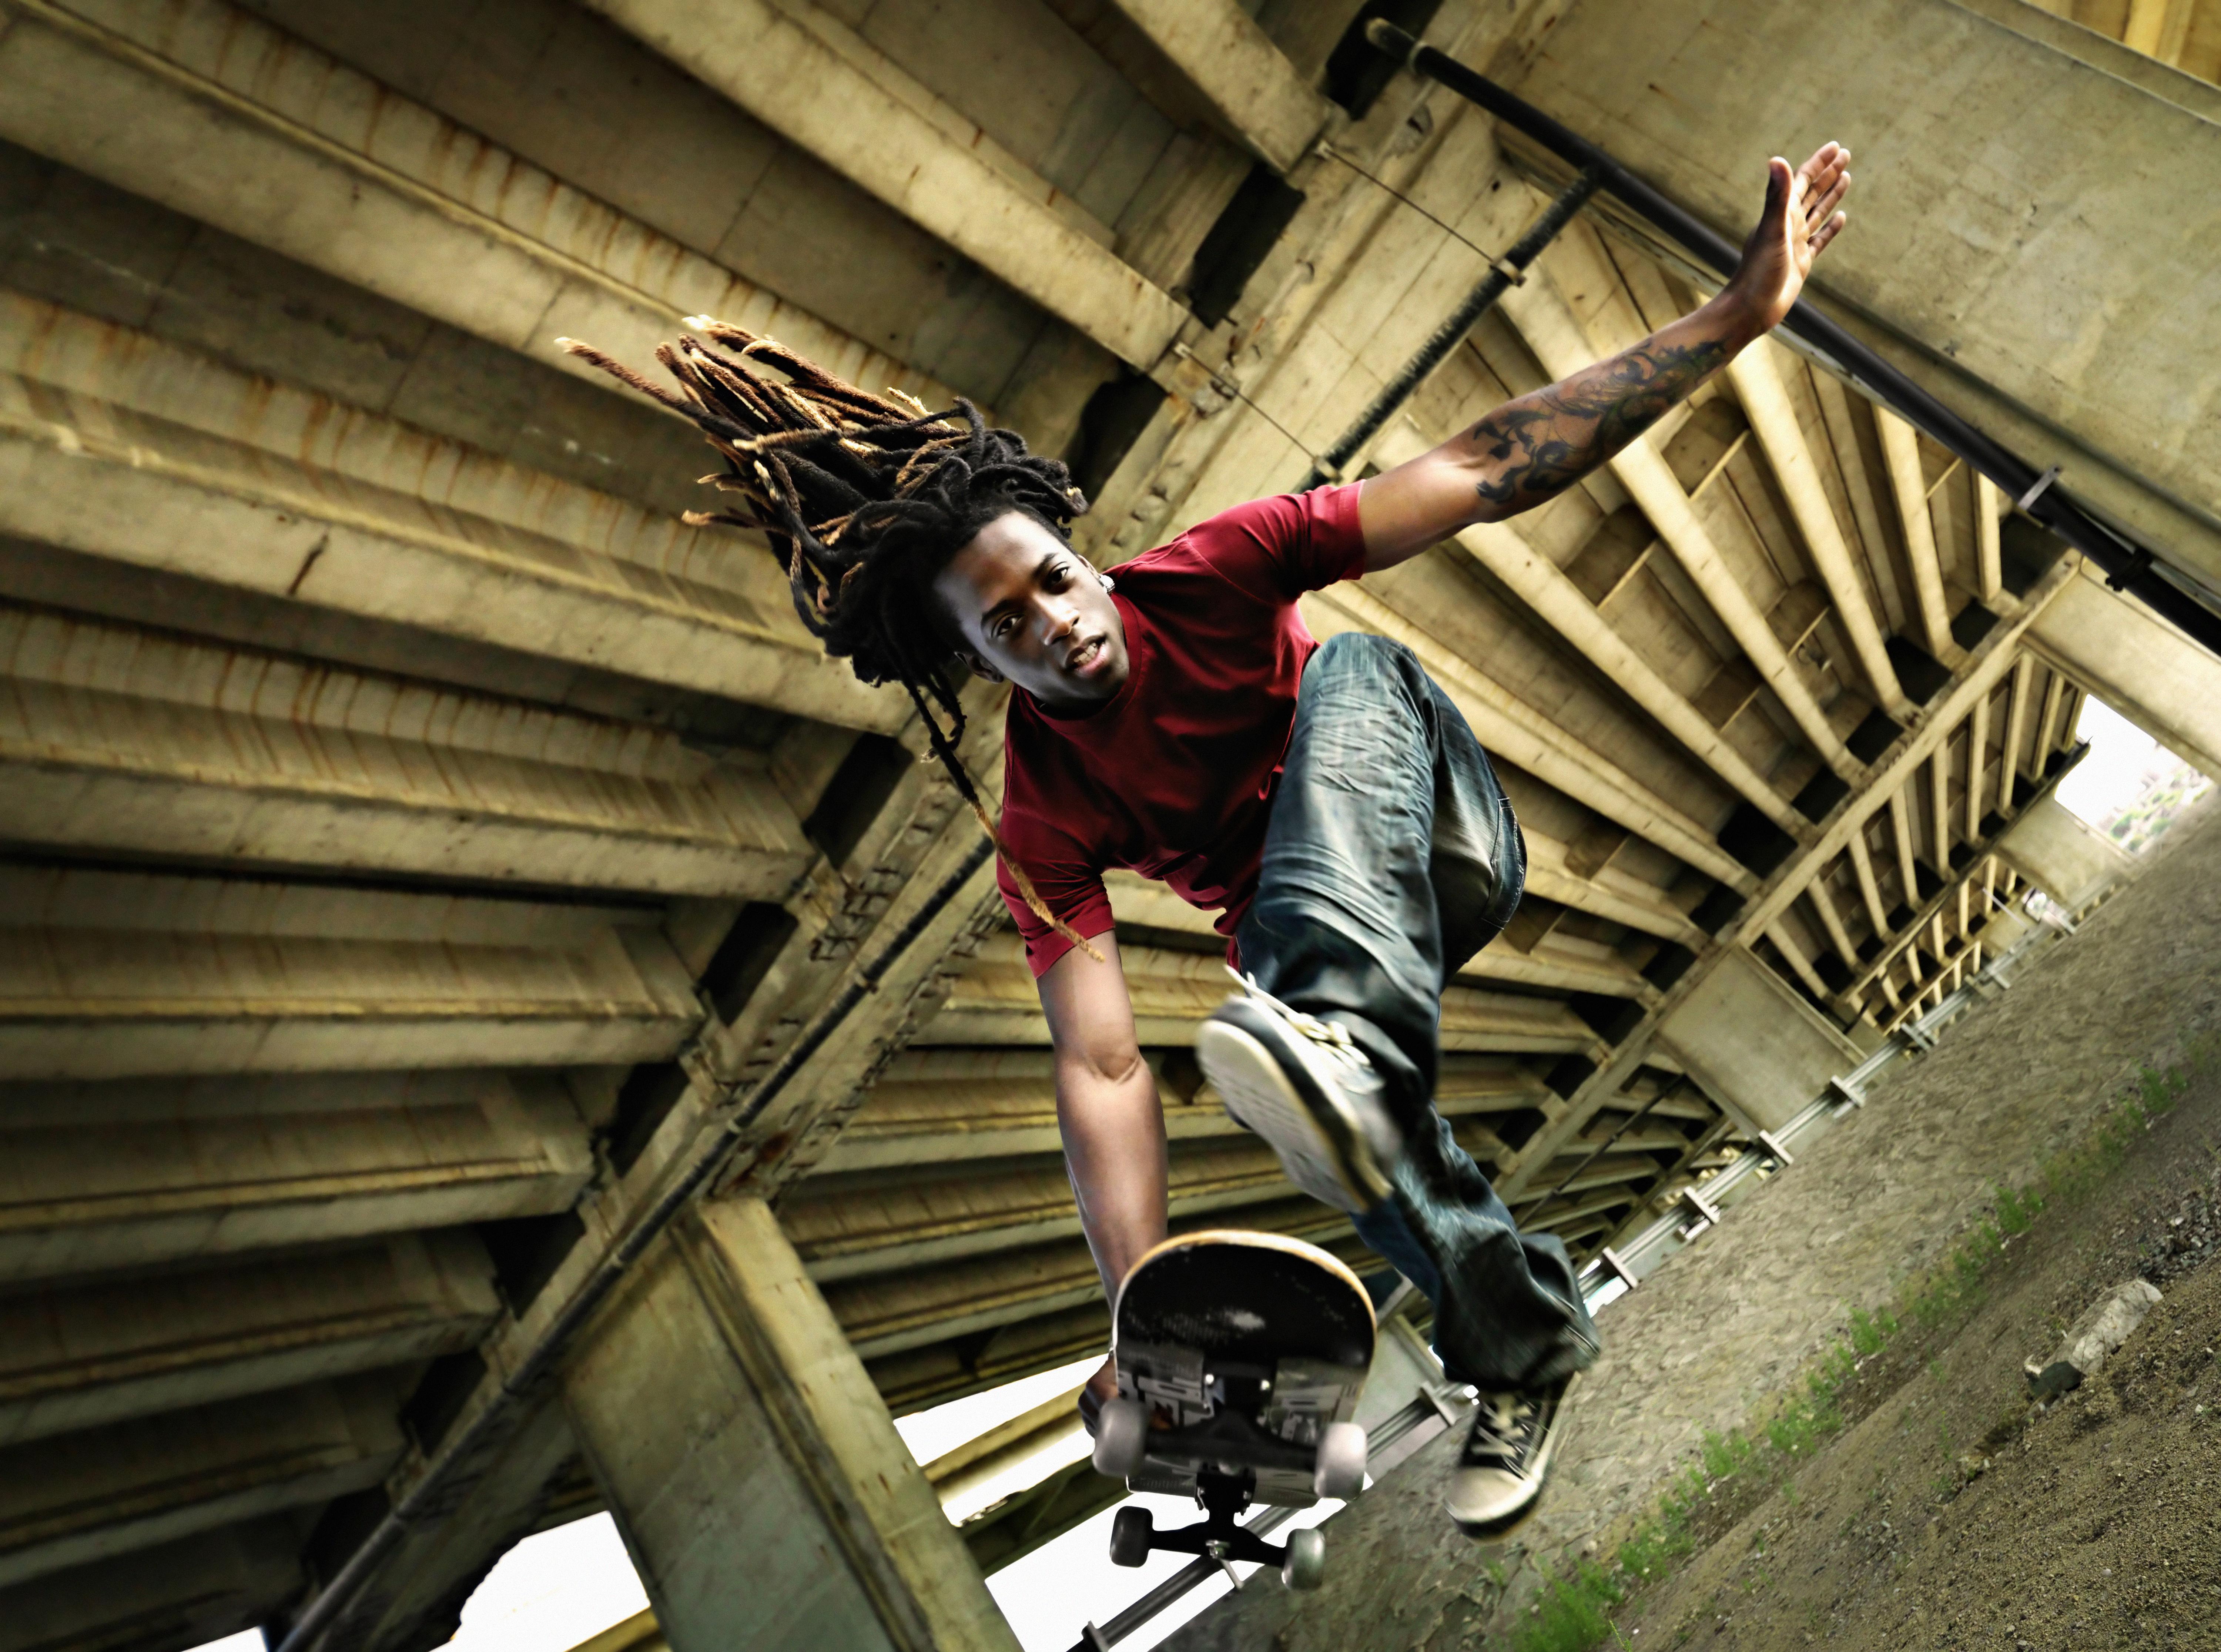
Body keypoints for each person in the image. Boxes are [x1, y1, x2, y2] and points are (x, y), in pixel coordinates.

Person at [566, 141, 1850, 1538]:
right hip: (1317, 980)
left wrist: (1736, 317)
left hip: (1438, 842)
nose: (1059, 626)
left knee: (1354, 670)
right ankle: (1518, 1347)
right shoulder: (1040, 820)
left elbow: (1481, 465)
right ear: (978, 663)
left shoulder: (1216, 568)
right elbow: (1102, 1061)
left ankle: (1336, 1029)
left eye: (1057, 582)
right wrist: (1145, 1305)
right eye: (1009, 628)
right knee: (1348, 1137)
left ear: (1083, 556)